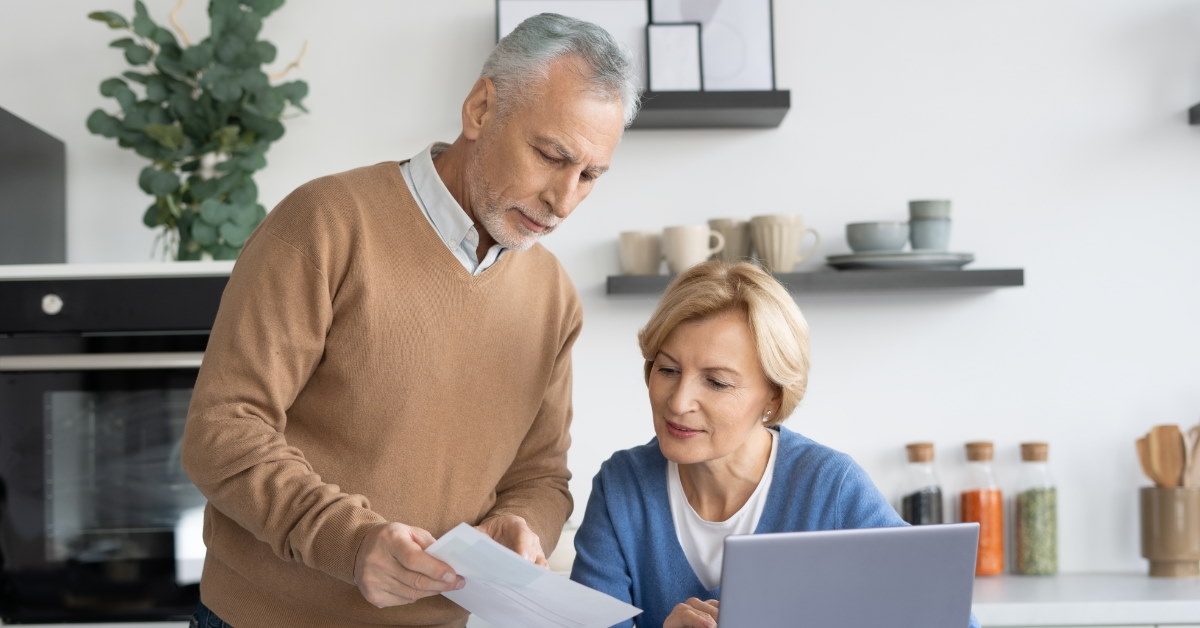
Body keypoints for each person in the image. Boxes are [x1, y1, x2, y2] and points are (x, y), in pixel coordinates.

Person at [180, 13, 640, 628]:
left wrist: (524, 527)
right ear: (480, 109)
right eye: (550, 156)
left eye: (589, 175)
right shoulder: (325, 224)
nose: (564, 201)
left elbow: (541, 474)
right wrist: (352, 542)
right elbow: (222, 431)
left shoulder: (553, 294)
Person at [569, 260, 980, 628]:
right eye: (668, 369)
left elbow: (948, 616)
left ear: (773, 397)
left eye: (716, 382)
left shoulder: (829, 488)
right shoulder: (622, 486)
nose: (678, 402)